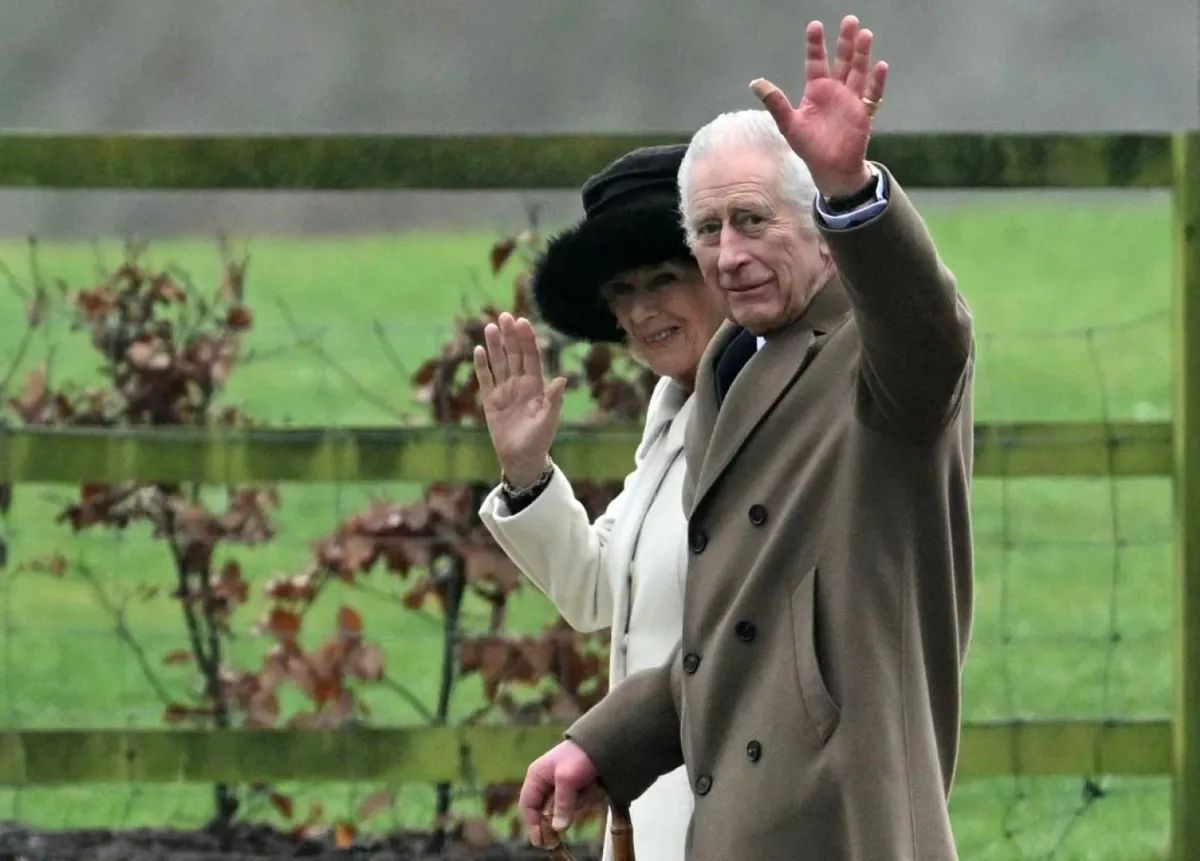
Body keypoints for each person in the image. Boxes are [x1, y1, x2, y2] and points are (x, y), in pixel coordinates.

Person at [517, 14, 976, 861]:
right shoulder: (728, 367)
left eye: (753, 221)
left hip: (848, 826)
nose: (728, 254)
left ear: (817, 227)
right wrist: (605, 744)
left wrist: (854, 194)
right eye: (707, 230)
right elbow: (737, 635)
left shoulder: (878, 356)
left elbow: (930, 334)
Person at [472, 144, 727, 861]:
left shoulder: (772, 408)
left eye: (664, 278)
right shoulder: (672, 413)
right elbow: (597, 591)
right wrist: (526, 469)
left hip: (741, 804)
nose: (642, 310)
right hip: (653, 803)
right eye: (622, 290)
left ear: (720, 272)